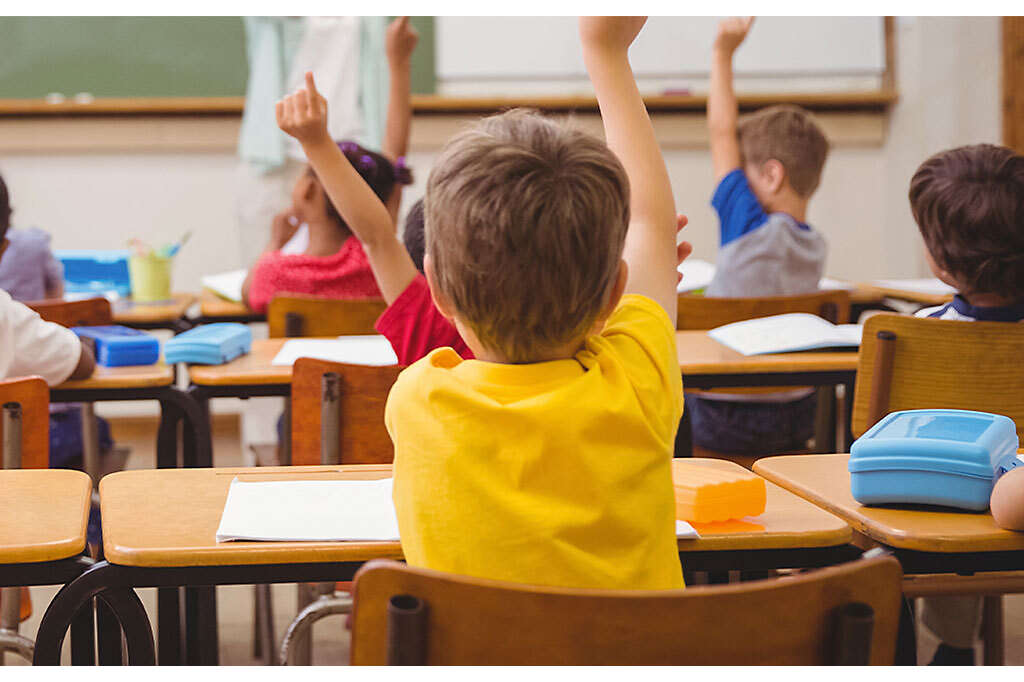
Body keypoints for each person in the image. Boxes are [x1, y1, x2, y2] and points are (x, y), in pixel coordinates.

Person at [276, 15, 685, 590]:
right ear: (614, 292)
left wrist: (316, 144)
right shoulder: (638, 382)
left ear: (436, 286)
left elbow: (376, 236)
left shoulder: (420, 398)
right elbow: (651, 225)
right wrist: (606, 53)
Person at [688, 16, 830, 457]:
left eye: (745, 175)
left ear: (771, 175)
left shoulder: (748, 224)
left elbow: (720, 132)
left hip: (726, 407)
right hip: (797, 408)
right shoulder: (815, 245)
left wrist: (722, 53)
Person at [908, 143, 1024, 665]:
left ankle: (948, 648)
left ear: (942, 264)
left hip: (942, 505)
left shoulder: (914, 334)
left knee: (935, 491)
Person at [240, 16, 418, 314]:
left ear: (308, 192)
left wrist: (275, 242)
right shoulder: (383, 269)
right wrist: (399, 65)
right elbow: (395, 160)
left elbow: (249, 294)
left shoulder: (276, 274)